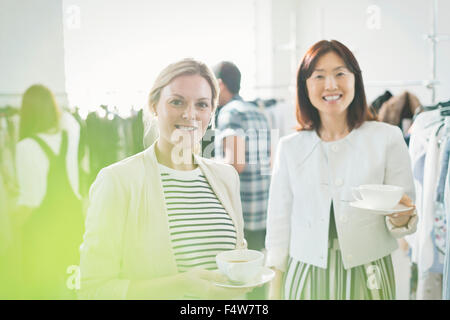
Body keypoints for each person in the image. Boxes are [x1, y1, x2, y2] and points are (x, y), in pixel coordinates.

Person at [79, 59, 252, 299]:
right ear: (154, 106)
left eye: (201, 105)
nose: (189, 114)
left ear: (211, 113)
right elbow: (92, 289)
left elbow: (237, 258)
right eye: (177, 102)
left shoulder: (226, 177)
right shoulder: (117, 181)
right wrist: (177, 286)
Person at [265, 40, 418, 300]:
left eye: (340, 74)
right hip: (305, 272)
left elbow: (402, 221)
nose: (331, 85)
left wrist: (402, 216)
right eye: (319, 76)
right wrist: (274, 289)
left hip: (370, 273)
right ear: (306, 85)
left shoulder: (387, 138)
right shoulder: (290, 147)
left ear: (355, 80)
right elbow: (279, 226)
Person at [14, 84, 84, 299]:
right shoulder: (70, 134)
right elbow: (67, 118)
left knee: (44, 289)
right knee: (73, 283)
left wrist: (12, 228)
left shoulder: (26, 146)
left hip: (42, 228)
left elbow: (32, 200)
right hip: (73, 219)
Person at [213, 61, 271, 252]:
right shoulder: (259, 112)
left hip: (243, 212)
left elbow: (235, 164)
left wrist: (205, 164)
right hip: (263, 209)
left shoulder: (230, 113)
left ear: (220, 85)